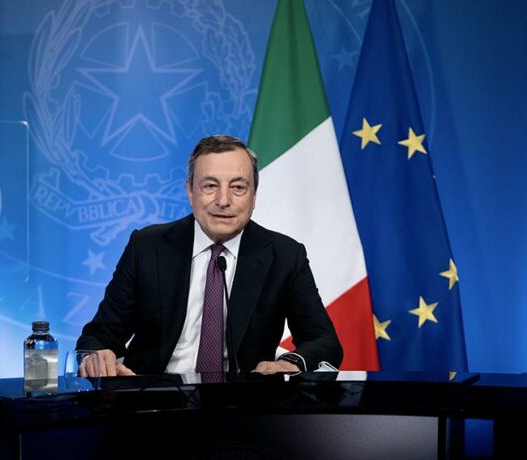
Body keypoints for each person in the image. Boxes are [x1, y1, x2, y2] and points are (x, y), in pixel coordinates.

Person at [76, 135, 342, 377]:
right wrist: (98, 356)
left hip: (245, 405)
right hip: (155, 401)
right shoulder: (147, 246)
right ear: (190, 192)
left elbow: (324, 342)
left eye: (238, 187)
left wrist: (290, 363)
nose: (223, 200)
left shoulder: (284, 255)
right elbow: (100, 335)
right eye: (210, 186)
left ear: (254, 196)